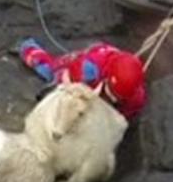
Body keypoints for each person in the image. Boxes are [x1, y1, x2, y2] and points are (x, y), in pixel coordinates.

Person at [18, 37, 146, 120]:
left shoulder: (136, 97)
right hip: (80, 65)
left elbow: (123, 117)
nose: (114, 99)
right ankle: (26, 47)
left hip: (101, 72)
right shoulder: (88, 69)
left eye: (119, 98)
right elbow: (66, 78)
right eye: (112, 94)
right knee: (48, 69)